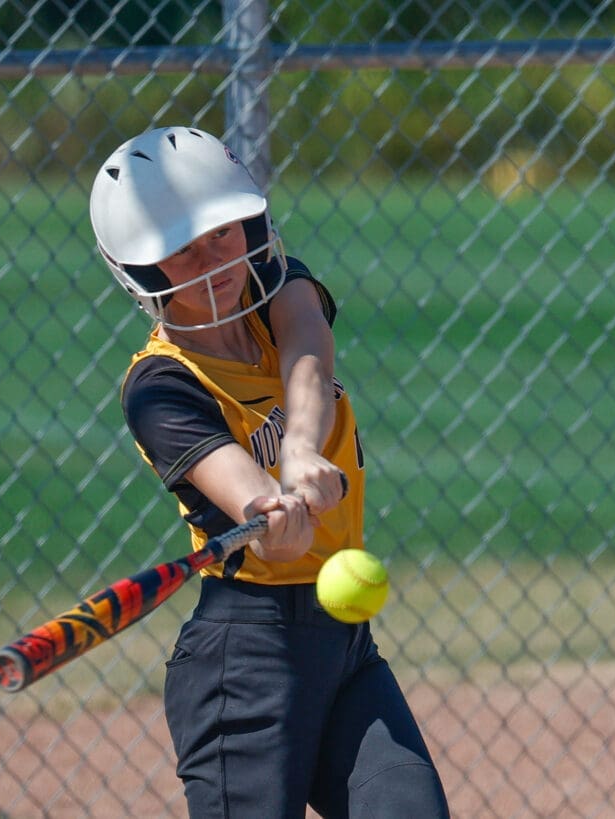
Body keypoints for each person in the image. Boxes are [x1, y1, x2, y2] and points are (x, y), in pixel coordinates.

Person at [89, 125, 450, 818]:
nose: (213, 257)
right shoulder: (161, 387)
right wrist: (271, 514)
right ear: (140, 267)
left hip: (346, 647)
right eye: (182, 247)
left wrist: (303, 447)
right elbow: (245, 493)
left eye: (223, 231)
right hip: (246, 658)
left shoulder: (281, 287)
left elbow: (309, 348)